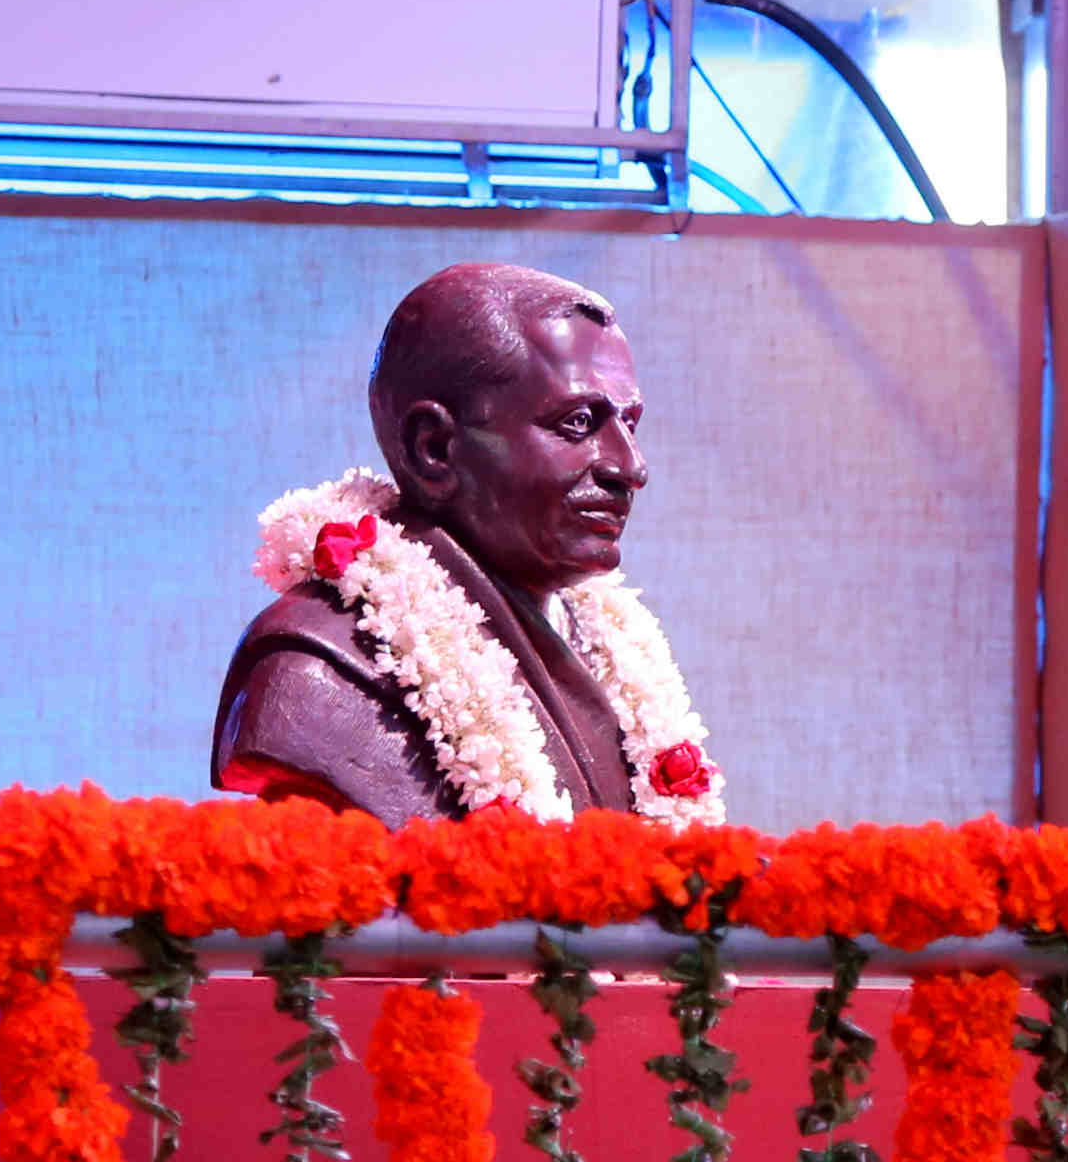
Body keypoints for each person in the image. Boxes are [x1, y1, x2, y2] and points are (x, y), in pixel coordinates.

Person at [218, 262, 722, 827]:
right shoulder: (319, 673)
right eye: (579, 422)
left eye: (630, 424)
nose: (630, 467)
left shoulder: (607, 645)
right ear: (433, 448)